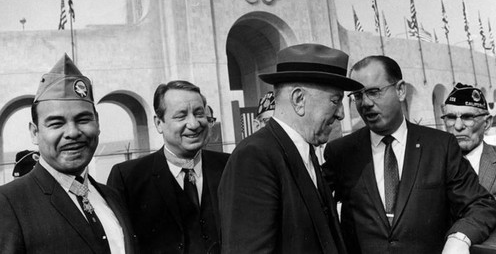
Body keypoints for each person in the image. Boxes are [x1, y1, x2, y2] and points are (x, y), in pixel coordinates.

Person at [322, 55, 496, 254]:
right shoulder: (341, 153)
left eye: (374, 92)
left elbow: (481, 204)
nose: (366, 103)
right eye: (358, 95)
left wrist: (459, 238)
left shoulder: (440, 146)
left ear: (400, 90)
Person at [218, 43, 363, 254]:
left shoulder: (306, 153)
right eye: (335, 101)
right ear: (298, 99)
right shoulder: (255, 158)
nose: (341, 113)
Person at [0, 53, 137, 253]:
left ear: (97, 124)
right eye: (56, 123)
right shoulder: (8, 203)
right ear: (35, 132)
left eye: (83, 120)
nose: (72, 133)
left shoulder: (112, 197)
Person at [107, 80, 230, 254]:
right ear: (158, 123)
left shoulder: (230, 166)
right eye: (181, 116)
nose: (194, 124)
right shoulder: (128, 177)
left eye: (199, 113)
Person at [442, 83, 496, 205]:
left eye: (467, 117)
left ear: (487, 123)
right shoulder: (432, 164)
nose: (458, 126)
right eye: (451, 117)